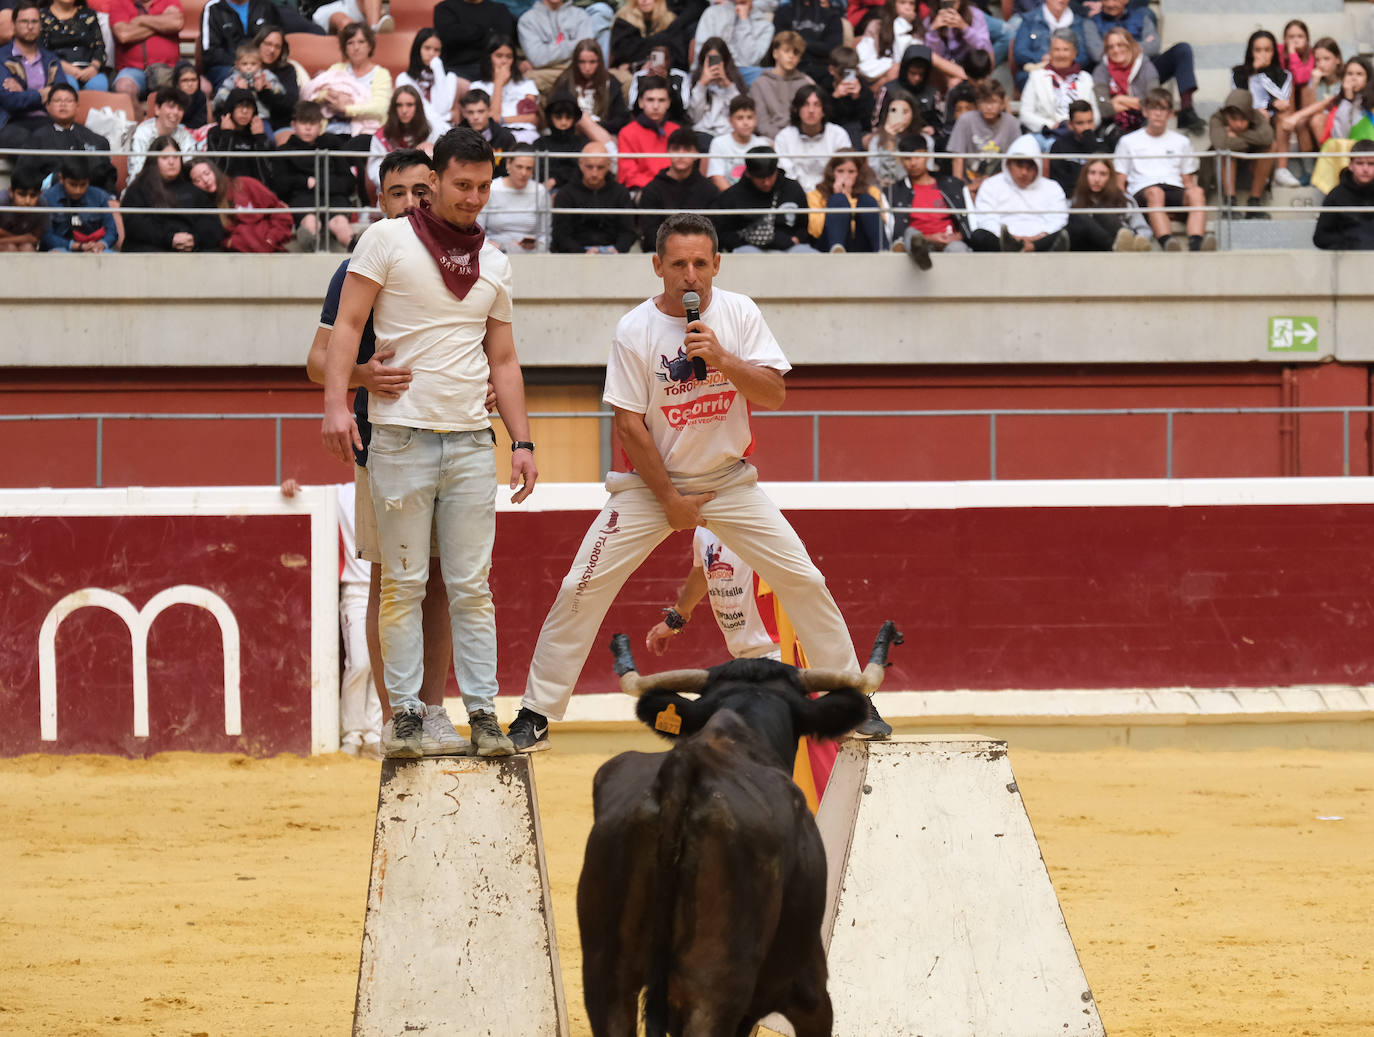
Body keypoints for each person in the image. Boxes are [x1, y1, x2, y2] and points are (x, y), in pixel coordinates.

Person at [506, 211, 879, 753]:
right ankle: (536, 713)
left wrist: (723, 358)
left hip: (731, 482)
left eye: (700, 263)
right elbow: (629, 425)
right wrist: (671, 501)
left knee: (805, 580)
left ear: (717, 264)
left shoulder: (740, 313)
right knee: (578, 587)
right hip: (650, 487)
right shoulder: (635, 329)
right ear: (657, 266)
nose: (690, 275)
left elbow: (773, 394)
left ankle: (853, 699)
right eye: (678, 263)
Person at [320, 127, 538, 759]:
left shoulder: (495, 262)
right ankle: (407, 716)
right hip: (400, 437)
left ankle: (482, 716)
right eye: (461, 185)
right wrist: (338, 406)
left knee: (472, 585)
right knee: (405, 585)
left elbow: (505, 360)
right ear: (436, 182)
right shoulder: (385, 239)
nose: (472, 198)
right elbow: (348, 327)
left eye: (482, 186)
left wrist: (521, 441)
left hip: (471, 439)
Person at [306, 148, 478, 759]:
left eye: (419, 192)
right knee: (397, 580)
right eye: (397, 192)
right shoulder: (362, 262)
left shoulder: (460, 258)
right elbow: (316, 362)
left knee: (444, 582)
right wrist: (362, 378)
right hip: (382, 443)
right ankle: (396, 716)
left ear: (434, 193)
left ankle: (431, 710)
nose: (410, 203)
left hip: (452, 438)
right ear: (380, 202)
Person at [1082, 0, 1202, 134]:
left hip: (1141, 70)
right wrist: (1128, 48)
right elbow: (1097, 53)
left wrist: (1130, 51)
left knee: (1182, 50)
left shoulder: (1141, 17)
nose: (1111, 3)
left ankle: (1187, 109)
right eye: (1111, 46)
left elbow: (1154, 46)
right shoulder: (1091, 22)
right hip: (1111, 74)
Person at [1117, 89, 1210, 249]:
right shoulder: (1128, 141)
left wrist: (1193, 194)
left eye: (1163, 109)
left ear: (1170, 113)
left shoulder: (1182, 142)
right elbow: (1120, 181)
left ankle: (1196, 243)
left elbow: (1187, 180)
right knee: (1155, 192)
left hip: (1174, 188)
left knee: (1197, 192)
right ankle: (1167, 241)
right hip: (1142, 190)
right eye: (1154, 108)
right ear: (1145, 112)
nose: (1158, 113)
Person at [273, 99, 356, 250]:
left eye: (313, 122)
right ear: (293, 125)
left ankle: (355, 246)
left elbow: (348, 182)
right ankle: (309, 242)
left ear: (320, 125)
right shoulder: (285, 151)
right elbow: (279, 184)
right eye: (303, 122)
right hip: (302, 198)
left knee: (339, 223)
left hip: (334, 196)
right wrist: (304, 182)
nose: (308, 127)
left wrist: (322, 183)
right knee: (310, 222)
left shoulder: (333, 145)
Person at [121, 135, 225, 251]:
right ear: (154, 161)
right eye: (165, 158)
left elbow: (211, 223)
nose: (171, 162)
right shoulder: (138, 189)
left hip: (191, 249)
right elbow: (135, 225)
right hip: (154, 248)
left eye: (176, 157)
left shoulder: (193, 189)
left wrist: (194, 239)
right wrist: (170, 238)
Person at [968, 134, 1068, 252]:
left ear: (1038, 167)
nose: (1024, 172)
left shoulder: (1052, 187)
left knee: (1069, 230)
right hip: (1003, 242)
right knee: (978, 235)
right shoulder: (991, 184)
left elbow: (1058, 220)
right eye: (1019, 166)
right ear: (1009, 163)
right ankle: (1012, 247)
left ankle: (1030, 248)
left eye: (1029, 167)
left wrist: (1037, 239)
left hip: (1042, 243)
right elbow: (986, 219)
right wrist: (1012, 239)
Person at [886, 132, 971, 268]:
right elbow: (894, 232)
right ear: (901, 160)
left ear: (927, 155)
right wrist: (929, 238)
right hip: (917, 244)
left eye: (917, 156)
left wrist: (959, 236)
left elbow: (970, 221)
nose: (913, 163)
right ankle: (922, 255)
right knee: (911, 234)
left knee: (957, 248)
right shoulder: (895, 191)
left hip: (950, 241)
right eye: (907, 158)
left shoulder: (952, 185)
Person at [14, 82, 116, 191]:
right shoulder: (36, 139)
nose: (63, 104)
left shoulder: (95, 140)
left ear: (77, 107)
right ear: (47, 106)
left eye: (68, 101)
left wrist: (110, 197)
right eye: (57, 101)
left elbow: (107, 175)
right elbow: (25, 174)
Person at [712, 144, 816, 252]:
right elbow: (723, 232)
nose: (766, 182)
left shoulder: (793, 188)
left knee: (805, 252)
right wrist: (743, 242)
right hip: (747, 248)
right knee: (747, 253)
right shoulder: (731, 195)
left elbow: (803, 225)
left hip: (790, 246)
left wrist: (797, 239)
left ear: (776, 170)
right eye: (760, 178)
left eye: (770, 176)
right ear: (748, 173)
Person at [0, 2, 72, 149]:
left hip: (47, 120)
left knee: (65, 139)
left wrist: (25, 93)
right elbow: (10, 100)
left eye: (34, 21)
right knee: (32, 141)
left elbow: (61, 95)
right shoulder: (2, 58)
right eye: (24, 21)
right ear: (13, 25)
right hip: (11, 122)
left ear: (40, 25)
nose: (30, 26)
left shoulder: (51, 59)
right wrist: (42, 94)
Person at [188, 153, 293, 251]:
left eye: (207, 173)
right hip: (238, 258)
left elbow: (280, 212)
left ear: (215, 171)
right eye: (198, 180)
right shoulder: (204, 205)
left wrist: (271, 239)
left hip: (272, 252)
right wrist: (231, 243)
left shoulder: (244, 184)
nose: (206, 180)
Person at [638, 126, 720, 249]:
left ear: (697, 154)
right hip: (662, 252)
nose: (681, 154)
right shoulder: (652, 190)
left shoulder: (710, 190)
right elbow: (649, 231)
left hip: (699, 251)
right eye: (676, 149)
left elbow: (714, 230)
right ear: (668, 152)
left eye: (687, 149)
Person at [1277, 35, 1342, 186]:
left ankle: (1329, 167)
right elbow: (1310, 107)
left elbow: (1327, 103)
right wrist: (1313, 84)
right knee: (1303, 122)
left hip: (1339, 125)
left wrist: (1294, 116)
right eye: (1318, 60)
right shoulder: (1315, 81)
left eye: (1327, 59)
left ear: (1338, 59)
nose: (1321, 64)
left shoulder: (1345, 78)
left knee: (1314, 119)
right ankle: (1310, 170)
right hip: (1316, 128)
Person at [304, 22, 391, 134]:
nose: (356, 48)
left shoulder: (381, 74)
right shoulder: (337, 69)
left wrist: (346, 108)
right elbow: (315, 92)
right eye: (350, 43)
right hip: (333, 128)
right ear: (345, 48)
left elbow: (380, 109)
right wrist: (329, 96)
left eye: (361, 42)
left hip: (367, 131)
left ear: (370, 45)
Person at [551, 140, 636, 251]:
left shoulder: (621, 193)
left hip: (612, 252)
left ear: (608, 165)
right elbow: (560, 235)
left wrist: (618, 249)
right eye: (589, 167)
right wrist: (582, 252)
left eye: (600, 167)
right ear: (580, 164)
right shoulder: (565, 194)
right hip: (576, 256)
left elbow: (628, 232)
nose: (594, 173)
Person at [1019, 27, 1095, 150]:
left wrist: (1078, 127)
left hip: (1079, 135)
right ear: (1050, 52)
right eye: (1056, 49)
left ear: (1074, 53)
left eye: (1065, 50)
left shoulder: (1086, 79)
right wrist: (1052, 126)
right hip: (1046, 134)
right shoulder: (1037, 76)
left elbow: (1095, 114)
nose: (1060, 54)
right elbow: (1025, 113)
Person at [1208, 87, 1275, 219]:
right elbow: (1221, 144)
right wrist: (1253, 139)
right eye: (1234, 118)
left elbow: (1267, 138)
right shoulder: (1217, 118)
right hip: (1224, 166)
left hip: (1252, 163)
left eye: (1243, 119)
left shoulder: (1256, 115)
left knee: (1272, 147)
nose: (1239, 124)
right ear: (1226, 115)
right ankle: (1229, 203)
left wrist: (1238, 135)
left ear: (1249, 115)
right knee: (1226, 151)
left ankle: (1254, 202)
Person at [549, 38, 631, 145]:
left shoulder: (610, 82)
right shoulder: (565, 81)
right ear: (575, 62)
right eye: (582, 62)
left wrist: (594, 125)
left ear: (599, 62)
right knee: (582, 118)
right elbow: (554, 114)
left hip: (604, 132)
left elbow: (621, 119)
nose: (587, 67)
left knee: (585, 120)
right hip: (570, 134)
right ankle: (612, 153)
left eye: (592, 62)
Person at [773, 84, 851, 193]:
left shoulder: (838, 134)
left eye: (817, 105)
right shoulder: (784, 137)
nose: (811, 110)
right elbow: (785, 174)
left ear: (824, 110)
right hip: (795, 193)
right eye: (805, 105)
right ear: (796, 109)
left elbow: (844, 169)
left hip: (830, 191)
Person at [1067, 156, 1152, 252]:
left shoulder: (1124, 199)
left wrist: (1138, 239)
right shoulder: (1074, 200)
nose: (1097, 179)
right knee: (1079, 216)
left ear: (1110, 177)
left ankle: (1128, 246)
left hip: (1122, 240)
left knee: (1101, 211)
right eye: (1092, 173)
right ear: (1085, 175)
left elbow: (1143, 229)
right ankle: (1116, 247)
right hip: (1089, 247)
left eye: (1103, 174)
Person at [805, 149, 884, 252]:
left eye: (851, 172)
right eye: (840, 171)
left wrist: (848, 199)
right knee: (838, 200)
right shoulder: (816, 194)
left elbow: (881, 223)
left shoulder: (872, 192)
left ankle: (884, 251)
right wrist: (838, 199)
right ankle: (837, 250)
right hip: (827, 245)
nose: (845, 177)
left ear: (859, 173)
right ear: (832, 172)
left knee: (866, 200)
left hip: (862, 243)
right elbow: (815, 230)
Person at [468, 35, 541, 144]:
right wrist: (499, 83)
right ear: (489, 58)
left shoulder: (527, 84)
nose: (504, 61)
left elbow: (531, 117)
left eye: (509, 56)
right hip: (494, 137)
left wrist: (501, 119)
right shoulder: (477, 86)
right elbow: (491, 120)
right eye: (499, 56)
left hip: (524, 134)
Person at [944, 79, 1018, 187]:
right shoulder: (966, 120)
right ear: (977, 103)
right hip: (969, 183)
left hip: (1002, 184)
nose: (988, 107)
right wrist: (958, 190)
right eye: (984, 101)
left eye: (993, 102)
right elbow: (957, 158)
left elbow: (1014, 160)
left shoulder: (1012, 123)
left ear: (1002, 104)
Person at [109, 0, 183, 104]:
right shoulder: (120, 3)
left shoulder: (168, 1)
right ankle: (137, 120)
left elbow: (177, 23)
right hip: (133, 70)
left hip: (167, 68)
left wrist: (140, 20)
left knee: (190, 84)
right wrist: (161, 24)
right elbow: (124, 35)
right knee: (124, 87)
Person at [1091, 25, 1157, 140]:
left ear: (1130, 45)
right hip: (1113, 127)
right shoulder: (1101, 71)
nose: (1116, 50)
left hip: (1144, 124)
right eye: (1111, 47)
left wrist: (1119, 99)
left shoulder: (1146, 67)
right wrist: (1137, 103)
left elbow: (1154, 103)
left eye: (1120, 45)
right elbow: (1103, 108)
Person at [40, 155, 117, 252]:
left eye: (83, 185)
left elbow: (112, 230)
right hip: (61, 249)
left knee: (111, 256)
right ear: (61, 179)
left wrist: (102, 244)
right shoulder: (47, 198)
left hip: (95, 249)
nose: (78, 190)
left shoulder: (100, 197)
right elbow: (46, 236)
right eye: (73, 184)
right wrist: (77, 246)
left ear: (88, 181)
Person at [616, 75, 679, 190]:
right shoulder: (627, 133)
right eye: (650, 100)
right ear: (640, 102)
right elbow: (628, 174)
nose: (655, 106)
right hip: (642, 191)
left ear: (668, 103)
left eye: (661, 100)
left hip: (674, 191)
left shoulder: (677, 131)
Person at [367, 85, 437, 190]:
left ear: (418, 107)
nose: (404, 110)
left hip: (423, 189)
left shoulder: (430, 131)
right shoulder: (381, 136)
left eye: (409, 105)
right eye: (399, 105)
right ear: (393, 108)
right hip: (392, 190)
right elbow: (374, 173)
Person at [519, 0, 593, 96]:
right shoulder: (527, 20)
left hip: (577, 69)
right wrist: (574, 44)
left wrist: (548, 50)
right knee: (527, 82)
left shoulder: (580, 15)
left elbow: (586, 50)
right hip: (545, 73)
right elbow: (537, 58)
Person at [485, 142, 550, 251]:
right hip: (495, 251)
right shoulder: (492, 189)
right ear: (508, 164)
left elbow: (545, 235)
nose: (524, 173)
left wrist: (536, 244)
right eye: (519, 167)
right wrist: (500, 247)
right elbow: (477, 231)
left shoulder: (540, 191)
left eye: (529, 168)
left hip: (530, 253)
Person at [200, 0, 280, 88]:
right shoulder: (214, 8)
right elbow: (210, 52)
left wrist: (257, 64)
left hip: (261, 64)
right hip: (226, 67)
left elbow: (277, 39)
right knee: (232, 80)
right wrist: (242, 64)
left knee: (279, 76)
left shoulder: (265, 6)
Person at [1047, 98, 1119, 197]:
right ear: (1070, 125)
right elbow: (1058, 183)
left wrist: (1092, 145)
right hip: (1069, 199)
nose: (1086, 128)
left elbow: (1109, 180)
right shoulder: (1059, 146)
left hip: (1099, 199)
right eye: (1080, 123)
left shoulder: (1104, 146)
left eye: (1090, 122)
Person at [1013, 0, 1086, 93]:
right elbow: (1020, 52)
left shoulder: (1078, 22)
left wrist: (1065, 62)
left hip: (1070, 72)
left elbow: (1083, 55)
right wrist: (1042, 59)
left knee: (1084, 81)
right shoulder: (1030, 19)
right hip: (1037, 70)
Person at [396, 28, 460, 135]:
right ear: (418, 49)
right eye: (427, 48)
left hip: (444, 133)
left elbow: (442, 108)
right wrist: (445, 118)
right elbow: (419, 113)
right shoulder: (404, 78)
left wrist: (438, 69)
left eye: (436, 50)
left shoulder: (450, 78)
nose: (431, 53)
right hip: (417, 131)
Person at [1313, 138, 1374, 249]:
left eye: (1371, 164)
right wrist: (1351, 241)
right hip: (1348, 260)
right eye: (1360, 163)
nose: (1365, 169)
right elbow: (1320, 237)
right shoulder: (1336, 196)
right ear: (1350, 165)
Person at [751, 29, 812, 139]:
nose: (791, 56)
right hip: (769, 140)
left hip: (801, 139)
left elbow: (809, 119)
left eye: (796, 52)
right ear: (775, 53)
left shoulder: (805, 83)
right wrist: (783, 141)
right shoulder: (759, 84)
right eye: (786, 51)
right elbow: (761, 123)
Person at [206, 87, 276, 182]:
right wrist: (227, 135)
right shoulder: (215, 133)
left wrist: (259, 138)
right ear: (230, 108)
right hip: (226, 189)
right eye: (239, 106)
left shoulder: (258, 134)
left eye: (249, 107)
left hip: (253, 189)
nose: (245, 112)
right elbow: (218, 172)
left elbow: (265, 176)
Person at [694, 0, 772, 84]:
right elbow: (702, 50)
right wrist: (718, 69)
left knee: (769, 75)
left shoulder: (765, 26)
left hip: (745, 73)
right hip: (713, 67)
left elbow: (750, 61)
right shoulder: (713, 13)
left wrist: (744, 21)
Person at [435, 0, 515, 80]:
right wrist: (484, 32)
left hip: (492, 68)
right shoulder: (445, 8)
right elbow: (448, 37)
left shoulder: (499, 9)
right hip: (456, 68)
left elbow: (502, 41)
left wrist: (465, 34)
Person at [39, 0, 107, 92]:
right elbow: (40, 50)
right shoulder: (41, 16)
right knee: (67, 85)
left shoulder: (88, 14)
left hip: (89, 69)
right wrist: (65, 67)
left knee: (99, 84)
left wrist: (94, 67)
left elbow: (99, 46)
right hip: (57, 68)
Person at [127, 85, 193, 178]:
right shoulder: (143, 132)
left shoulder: (185, 136)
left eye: (180, 109)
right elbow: (137, 170)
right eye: (171, 107)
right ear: (157, 109)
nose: (175, 112)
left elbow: (188, 168)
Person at [688, 36, 745, 142]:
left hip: (729, 135)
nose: (714, 64)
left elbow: (741, 111)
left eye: (717, 59)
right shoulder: (695, 81)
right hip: (702, 134)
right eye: (710, 59)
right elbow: (695, 117)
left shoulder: (734, 81)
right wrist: (702, 84)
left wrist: (727, 85)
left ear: (725, 60)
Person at [211, 41, 286, 122]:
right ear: (237, 65)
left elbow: (281, 91)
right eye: (245, 64)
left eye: (253, 64)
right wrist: (236, 92)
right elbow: (219, 98)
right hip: (238, 120)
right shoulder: (234, 78)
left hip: (260, 117)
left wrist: (268, 87)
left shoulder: (265, 76)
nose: (249, 67)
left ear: (260, 64)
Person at [771, 0, 843, 84]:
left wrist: (800, 43)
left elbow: (833, 49)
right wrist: (816, 46)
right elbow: (782, 44)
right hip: (793, 65)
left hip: (824, 69)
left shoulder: (832, 16)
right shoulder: (783, 12)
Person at [707, 93, 768, 190]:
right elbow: (717, 178)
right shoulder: (718, 143)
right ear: (730, 121)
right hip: (728, 199)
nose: (745, 123)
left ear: (756, 119)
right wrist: (736, 200)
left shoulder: (762, 144)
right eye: (740, 118)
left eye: (749, 117)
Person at [533, 93, 590, 190]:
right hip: (546, 191)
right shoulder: (540, 143)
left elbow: (585, 171)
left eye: (568, 117)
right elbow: (540, 171)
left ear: (574, 118)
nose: (563, 122)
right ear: (550, 118)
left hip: (578, 191)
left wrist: (556, 179)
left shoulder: (583, 143)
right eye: (558, 117)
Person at [854, 0, 917, 86]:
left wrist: (904, 23)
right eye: (902, 2)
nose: (907, 7)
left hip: (907, 80)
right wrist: (891, 66)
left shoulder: (916, 29)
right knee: (895, 71)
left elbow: (905, 59)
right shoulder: (876, 26)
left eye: (912, 3)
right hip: (874, 78)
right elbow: (865, 65)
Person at [866, 85, 918, 188]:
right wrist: (890, 139)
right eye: (894, 111)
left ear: (913, 113)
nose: (900, 116)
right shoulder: (876, 140)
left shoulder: (924, 139)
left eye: (905, 112)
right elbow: (878, 173)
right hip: (883, 190)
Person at [457, 88, 517, 173]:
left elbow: (510, 172)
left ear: (489, 111)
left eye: (481, 111)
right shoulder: (455, 139)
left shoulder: (506, 138)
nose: (476, 117)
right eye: (470, 112)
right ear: (464, 113)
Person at [826, 44, 873, 149]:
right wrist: (834, 98)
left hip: (857, 132)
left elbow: (867, 122)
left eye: (851, 72)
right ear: (832, 70)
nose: (846, 78)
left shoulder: (863, 87)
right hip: (830, 131)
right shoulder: (825, 86)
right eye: (842, 73)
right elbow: (823, 119)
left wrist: (857, 98)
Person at [923, 0, 992, 70]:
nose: (950, 8)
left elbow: (985, 49)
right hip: (945, 68)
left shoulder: (975, 15)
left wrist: (965, 28)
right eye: (946, 4)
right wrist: (934, 33)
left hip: (970, 65)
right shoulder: (930, 20)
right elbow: (933, 56)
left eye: (952, 2)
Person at [254, 27, 300, 128]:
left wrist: (264, 92)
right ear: (258, 44)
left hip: (279, 125)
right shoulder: (246, 66)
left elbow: (290, 103)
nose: (272, 50)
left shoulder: (287, 70)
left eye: (277, 47)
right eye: (268, 44)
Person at [0, 162, 49, 251]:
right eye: (22, 195)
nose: (27, 201)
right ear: (11, 192)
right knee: (10, 248)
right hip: (7, 245)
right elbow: (28, 238)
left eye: (33, 195)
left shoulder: (42, 205)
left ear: (40, 194)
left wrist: (24, 239)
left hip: (24, 245)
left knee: (27, 247)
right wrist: (22, 238)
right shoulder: (2, 201)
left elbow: (34, 239)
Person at [174, 60, 210, 129]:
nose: (190, 84)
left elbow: (201, 122)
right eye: (184, 80)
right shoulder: (170, 97)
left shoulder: (201, 97)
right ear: (177, 83)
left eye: (193, 80)